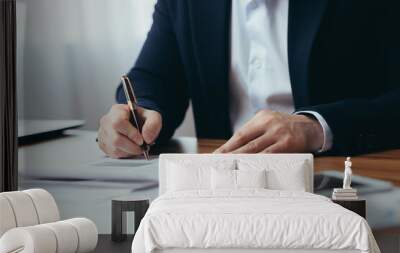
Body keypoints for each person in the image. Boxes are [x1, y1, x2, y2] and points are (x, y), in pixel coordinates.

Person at [98, 0, 400, 158]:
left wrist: (316, 128)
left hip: (344, 180)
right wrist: (137, 114)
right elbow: (153, 76)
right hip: (223, 189)